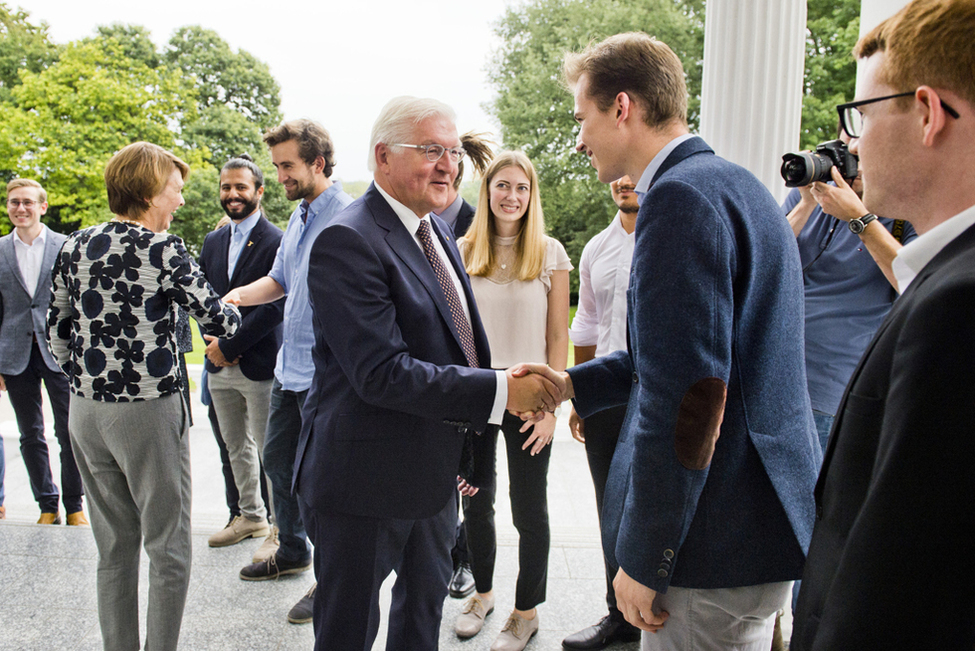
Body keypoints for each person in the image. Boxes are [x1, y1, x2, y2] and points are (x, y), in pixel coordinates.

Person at [555, 33, 820, 650]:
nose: (579, 138)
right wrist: (573, 382)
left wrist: (648, 556)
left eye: (582, 117)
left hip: (713, 540)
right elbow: (685, 358)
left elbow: (690, 395)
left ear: (622, 107)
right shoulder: (736, 183)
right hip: (754, 523)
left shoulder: (677, 199)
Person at [292, 96, 564, 651]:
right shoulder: (348, 239)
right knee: (347, 632)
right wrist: (500, 392)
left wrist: (467, 448)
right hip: (362, 485)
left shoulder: (434, 230)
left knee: (420, 625)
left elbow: (453, 349)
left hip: (433, 483)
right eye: (431, 150)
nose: (449, 164)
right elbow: (381, 373)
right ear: (382, 157)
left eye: (455, 151)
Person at [791, 0, 975, 647]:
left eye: (860, 115)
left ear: (927, 113)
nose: (852, 140)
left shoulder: (956, 303)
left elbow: (897, 573)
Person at [47, 141, 240, 651]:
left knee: (113, 549)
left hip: (86, 412)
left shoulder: (74, 244)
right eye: (175, 190)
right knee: (169, 548)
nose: (179, 201)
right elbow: (218, 319)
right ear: (152, 190)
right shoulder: (164, 249)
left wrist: (90, 380)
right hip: (148, 410)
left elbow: (57, 333)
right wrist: (236, 305)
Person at [224, 119, 353, 625]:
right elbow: (279, 281)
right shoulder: (299, 216)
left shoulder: (346, 216)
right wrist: (234, 296)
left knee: (322, 485)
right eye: (277, 166)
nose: (279, 176)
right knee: (279, 466)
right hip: (289, 373)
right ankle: (293, 551)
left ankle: (333, 579)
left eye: (287, 166)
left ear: (318, 163)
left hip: (326, 379)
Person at [453, 150, 571, 651]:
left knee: (529, 512)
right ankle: (482, 594)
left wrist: (553, 409)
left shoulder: (550, 253)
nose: (512, 196)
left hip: (529, 401)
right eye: (503, 185)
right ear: (487, 191)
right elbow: (452, 335)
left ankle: (526, 612)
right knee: (476, 505)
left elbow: (557, 338)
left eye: (522, 188)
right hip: (479, 398)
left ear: (531, 196)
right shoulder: (460, 250)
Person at [783, 132, 916, 451]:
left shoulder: (904, 210)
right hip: (774, 372)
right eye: (846, 145)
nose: (850, 156)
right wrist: (805, 204)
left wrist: (859, 217)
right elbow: (764, 261)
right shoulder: (809, 195)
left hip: (829, 390)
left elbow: (912, 281)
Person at [561, 175, 642, 650]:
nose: (623, 182)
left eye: (633, 174)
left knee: (652, 504)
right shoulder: (597, 247)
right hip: (609, 399)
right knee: (609, 507)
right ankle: (619, 620)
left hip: (658, 398)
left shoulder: (672, 236)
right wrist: (582, 396)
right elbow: (586, 322)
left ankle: (656, 610)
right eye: (616, 176)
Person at [199, 154, 284, 550]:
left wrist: (232, 346)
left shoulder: (276, 240)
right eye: (226, 187)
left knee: (270, 450)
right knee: (235, 446)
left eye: (240, 187)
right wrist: (213, 345)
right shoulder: (213, 240)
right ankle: (249, 516)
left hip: (260, 362)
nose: (232, 194)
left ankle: (281, 529)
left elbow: (275, 304)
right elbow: (201, 298)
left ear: (259, 191)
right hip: (218, 365)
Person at [0, 179, 86, 525]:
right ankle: (47, 505)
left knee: (69, 433)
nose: (20, 209)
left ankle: (75, 506)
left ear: (43, 207)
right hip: (14, 353)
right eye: (14, 203)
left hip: (59, 352)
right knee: (30, 432)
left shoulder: (65, 246)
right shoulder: (1, 249)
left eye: (28, 203)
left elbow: (78, 304)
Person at [433, 130, 495, 601]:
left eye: (449, 157)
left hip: (479, 376)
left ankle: (467, 561)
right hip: (434, 379)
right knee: (444, 478)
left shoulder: (479, 225)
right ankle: (445, 554)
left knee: (476, 483)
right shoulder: (415, 224)